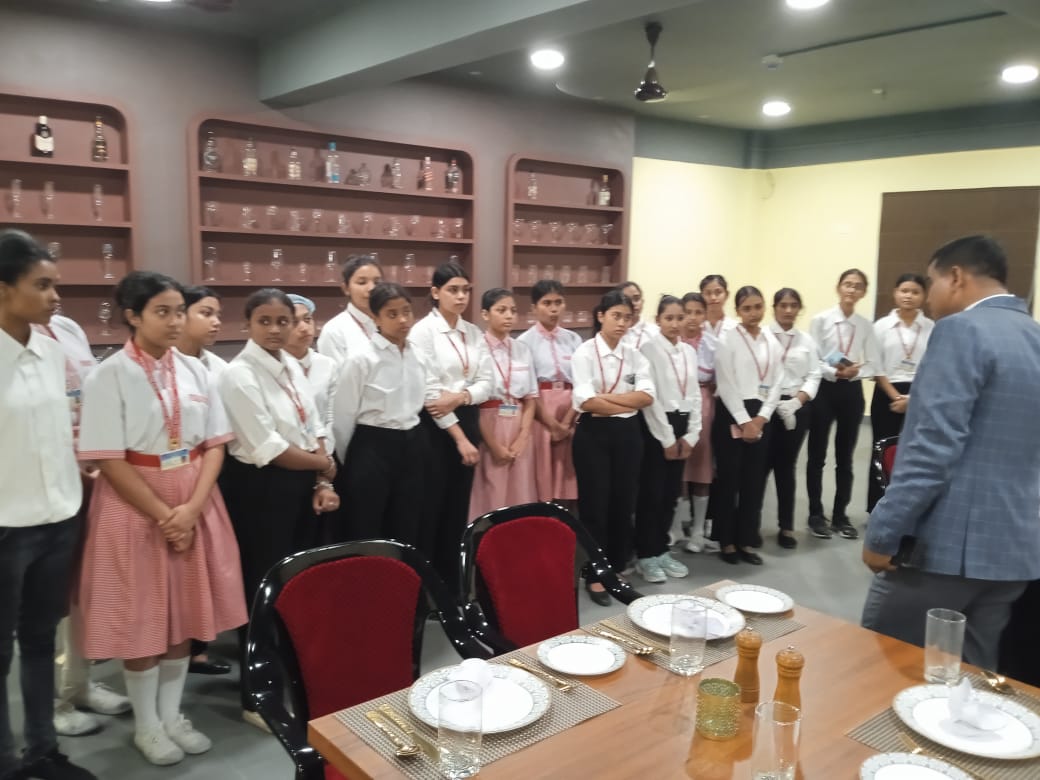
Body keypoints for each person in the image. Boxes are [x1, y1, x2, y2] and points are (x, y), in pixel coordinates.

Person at [75, 271, 247, 766]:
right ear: (133, 316)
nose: (174, 322)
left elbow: (215, 445)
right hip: (134, 503)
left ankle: (172, 717)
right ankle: (147, 726)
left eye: (178, 312)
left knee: (185, 615)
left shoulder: (196, 371)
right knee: (142, 617)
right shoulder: (107, 376)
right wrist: (165, 515)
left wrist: (190, 510)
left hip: (194, 497)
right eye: (162, 312)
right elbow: (109, 459)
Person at [862, 235, 1040, 670]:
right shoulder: (1033, 336)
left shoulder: (961, 330)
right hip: (1014, 552)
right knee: (971, 679)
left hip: (945, 550)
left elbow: (930, 450)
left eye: (932, 282)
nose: (928, 297)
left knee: (880, 667)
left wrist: (883, 534)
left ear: (956, 277)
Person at [0, 229, 97, 780]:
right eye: (41, 285)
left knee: (41, 640)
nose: (55, 296)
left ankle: (43, 751)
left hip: (59, 515)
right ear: (3, 289)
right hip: (6, 524)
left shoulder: (50, 349)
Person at [217, 288, 339, 729]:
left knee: (296, 583)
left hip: (301, 480)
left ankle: (292, 677)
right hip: (261, 489)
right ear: (247, 325)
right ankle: (257, 696)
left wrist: (322, 479)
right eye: (264, 321)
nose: (274, 329)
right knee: (262, 589)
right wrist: (322, 465)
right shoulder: (238, 375)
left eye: (282, 321)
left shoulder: (290, 365)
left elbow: (314, 423)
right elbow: (267, 446)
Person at [32, 309, 134, 734]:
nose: (53, 295)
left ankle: (77, 684)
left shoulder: (67, 326)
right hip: (40, 486)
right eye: (41, 284)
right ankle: (52, 705)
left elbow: (86, 401)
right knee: (43, 605)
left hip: (89, 477)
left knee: (81, 590)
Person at [332, 283, 457, 546]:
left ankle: (404, 571)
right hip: (371, 445)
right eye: (392, 314)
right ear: (376, 318)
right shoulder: (361, 359)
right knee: (367, 522)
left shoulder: (418, 355)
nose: (402, 320)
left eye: (406, 312)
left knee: (408, 520)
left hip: (413, 442)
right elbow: (342, 417)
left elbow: (429, 396)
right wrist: (351, 462)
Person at [571, 289, 655, 604]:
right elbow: (585, 402)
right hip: (593, 435)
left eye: (627, 317)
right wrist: (624, 401)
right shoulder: (584, 353)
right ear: (600, 316)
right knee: (595, 505)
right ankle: (595, 574)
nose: (622, 323)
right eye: (616, 316)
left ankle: (616, 568)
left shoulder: (635, 355)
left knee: (623, 502)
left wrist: (605, 399)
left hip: (628, 434)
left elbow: (647, 397)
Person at [407, 262, 485, 588]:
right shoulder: (422, 332)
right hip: (436, 428)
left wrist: (461, 396)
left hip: (467, 414)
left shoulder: (474, 332)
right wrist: (459, 438)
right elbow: (430, 393)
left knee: (457, 507)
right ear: (436, 292)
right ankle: (427, 587)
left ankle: (452, 585)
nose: (461, 296)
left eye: (465, 290)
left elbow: (488, 383)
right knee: (432, 508)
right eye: (453, 290)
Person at [173, 285, 232, 678]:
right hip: (177, 473)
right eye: (205, 313)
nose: (215, 322)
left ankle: (200, 644)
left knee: (209, 565)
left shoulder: (219, 368)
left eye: (217, 314)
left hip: (216, 467)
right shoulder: (169, 365)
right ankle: (183, 647)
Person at [806, 269, 882, 541]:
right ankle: (816, 514)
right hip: (825, 390)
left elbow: (873, 362)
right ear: (838, 288)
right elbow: (814, 358)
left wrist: (854, 373)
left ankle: (840, 515)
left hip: (851, 391)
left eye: (857, 286)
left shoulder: (865, 325)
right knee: (817, 455)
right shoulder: (821, 320)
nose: (851, 290)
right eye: (847, 284)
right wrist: (835, 372)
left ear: (863, 292)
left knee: (845, 457)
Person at [712, 286, 783, 565]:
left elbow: (777, 382)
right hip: (732, 413)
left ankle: (746, 539)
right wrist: (744, 421)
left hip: (762, 414)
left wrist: (761, 418)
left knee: (754, 481)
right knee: (729, 480)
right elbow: (726, 383)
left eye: (758, 307)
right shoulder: (727, 339)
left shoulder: (771, 340)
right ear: (738, 311)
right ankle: (726, 541)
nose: (753, 313)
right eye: (747, 308)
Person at [633, 295, 700, 583]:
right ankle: (645, 554)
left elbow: (695, 394)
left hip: (683, 426)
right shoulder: (648, 350)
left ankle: (661, 549)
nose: (675, 324)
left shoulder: (689, 352)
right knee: (652, 493)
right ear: (657, 320)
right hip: (657, 427)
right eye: (669, 318)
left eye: (679, 318)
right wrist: (667, 438)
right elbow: (652, 399)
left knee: (671, 493)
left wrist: (692, 435)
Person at [468, 288, 539, 520]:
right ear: (485, 314)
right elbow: (474, 404)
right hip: (488, 424)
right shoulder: (476, 349)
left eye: (513, 310)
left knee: (520, 490)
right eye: (501, 310)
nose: (509, 315)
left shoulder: (522, 349)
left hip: (518, 424)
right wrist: (494, 445)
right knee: (490, 490)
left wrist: (523, 436)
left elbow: (530, 398)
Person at [866, 274, 933, 512]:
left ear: (924, 296)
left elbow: (934, 366)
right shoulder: (881, 326)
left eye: (915, 292)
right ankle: (877, 506)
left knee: (916, 450)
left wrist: (913, 399)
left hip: (919, 393)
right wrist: (895, 396)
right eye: (904, 290)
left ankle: (909, 507)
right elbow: (875, 366)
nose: (909, 296)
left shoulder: (931, 327)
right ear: (895, 293)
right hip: (887, 392)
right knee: (882, 449)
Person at [516, 280, 582, 505]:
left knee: (569, 472)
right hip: (541, 411)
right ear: (534, 308)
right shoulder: (524, 342)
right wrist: (553, 425)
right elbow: (529, 388)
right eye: (547, 303)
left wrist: (566, 422)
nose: (554, 309)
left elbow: (582, 382)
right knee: (542, 471)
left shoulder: (574, 339)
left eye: (558, 302)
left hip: (571, 408)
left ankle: (567, 519)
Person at [764, 288, 820, 549]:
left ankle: (786, 527)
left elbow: (814, 374)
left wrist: (798, 401)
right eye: (783, 305)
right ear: (774, 307)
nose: (788, 310)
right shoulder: (763, 336)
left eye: (793, 305)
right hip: (765, 408)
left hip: (795, 407)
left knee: (786, 467)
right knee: (760, 468)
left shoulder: (806, 340)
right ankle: (750, 526)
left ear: (799, 309)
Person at [679, 291, 719, 553]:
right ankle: (674, 527)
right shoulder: (672, 341)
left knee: (702, 468)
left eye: (698, 312)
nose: (692, 318)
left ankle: (697, 530)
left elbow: (720, 380)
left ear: (705, 315)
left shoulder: (714, 345)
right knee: (677, 467)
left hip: (704, 405)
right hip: (676, 404)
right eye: (687, 312)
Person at [285, 293, 338, 460]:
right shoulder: (274, 367)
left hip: (325, 452)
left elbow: (332, 416)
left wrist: (325, 453)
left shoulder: (327, 364)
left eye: (307, 319)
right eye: (294, 322)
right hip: (288, 455)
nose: (304, 327)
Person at [315, 254, 381, 365]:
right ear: (346, 288)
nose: (372, 288)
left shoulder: (390, 324)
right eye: (362, 282)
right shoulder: (334, 331)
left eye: (377, 282)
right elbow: (335, 375)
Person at [616, 280, 658, 349]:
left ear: (642, 302)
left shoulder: (655, 332)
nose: (633, 303)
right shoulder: (612, 331)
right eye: (627, 300)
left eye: (636, 299)